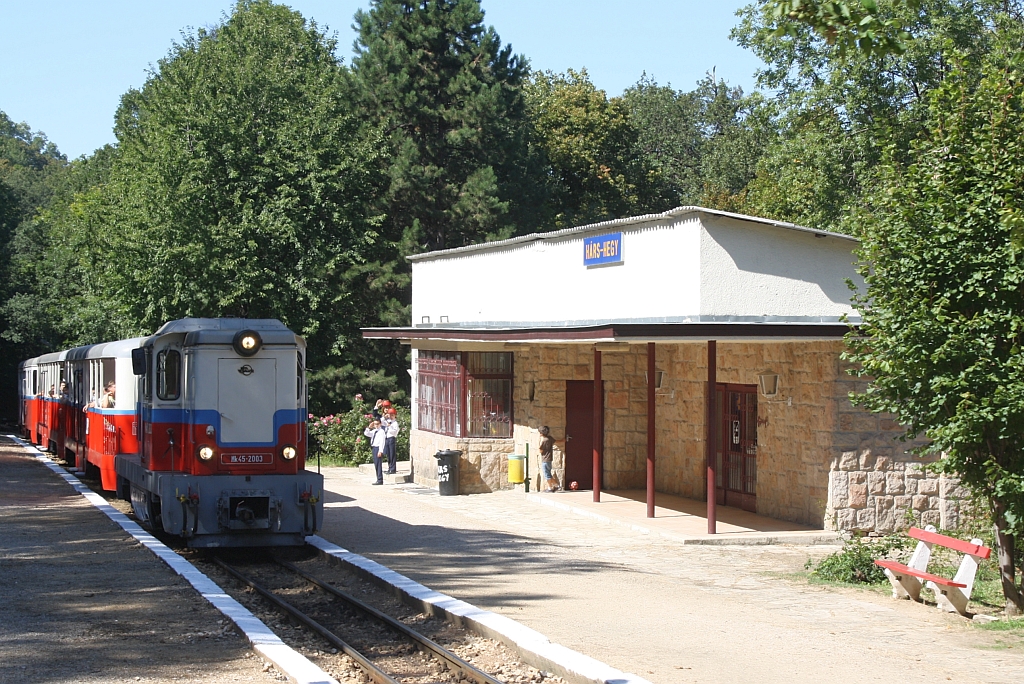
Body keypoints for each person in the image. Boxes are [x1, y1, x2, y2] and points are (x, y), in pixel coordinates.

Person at [363, 419, 387, 485]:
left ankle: (380, 479)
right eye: (375, 424)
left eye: (377, 424)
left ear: (380, 424)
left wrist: (380, 451)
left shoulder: (381, 431)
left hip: (378, 448)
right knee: (376, 464)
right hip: (374, 448)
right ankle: (378, 478)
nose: (376, 425)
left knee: (378, 464)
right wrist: (369, 427)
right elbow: (366, 433)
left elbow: (382, 442)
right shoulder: (374, 431)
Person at [539, 425, 559, 492]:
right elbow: (556, 441)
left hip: (545, 459)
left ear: (541, 433)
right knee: (549, 473)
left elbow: (541, 450)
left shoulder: (544, 441)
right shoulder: (550, 438)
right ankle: (556, 485)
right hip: (549, 458)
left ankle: (550, 487)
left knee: (547, 474)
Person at [382, 407, 401, 474]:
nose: (391, 416)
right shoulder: (388, 421)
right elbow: (381, 421)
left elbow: (395, 432)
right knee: (388, 454)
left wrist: (390, 426)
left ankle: (393, 469)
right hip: (387, 438)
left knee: (392, 454)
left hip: (391, 438)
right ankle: (389, 467)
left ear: (395, 415)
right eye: (390, 415)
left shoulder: (395, 423)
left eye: (392, 415)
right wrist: (384, 417)